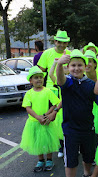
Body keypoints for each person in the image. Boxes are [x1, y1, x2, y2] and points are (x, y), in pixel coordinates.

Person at [56, 49, 98, 177]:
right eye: (73, 65)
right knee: (71, 159)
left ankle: (87, 174)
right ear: (68, 67)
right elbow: (59, 80)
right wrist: (59, 64)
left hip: (88, 128)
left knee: (88, 156)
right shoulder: (67, 83)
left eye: (80, 65)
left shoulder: (90, 84)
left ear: (85, 67)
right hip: (70, 129)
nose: (76, 68)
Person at [20, 66, 61, 172]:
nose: (39, 79)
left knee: (48, 142)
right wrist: (38, 117)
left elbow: (55, 103)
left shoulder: (47, 91)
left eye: (41, 77)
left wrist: (47, 114)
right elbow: (28, 108)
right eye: (36, 77)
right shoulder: (29, 93)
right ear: (30, 81)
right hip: (34, 122)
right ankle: (40, 160)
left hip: (46, 121)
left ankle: (49, 160)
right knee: (37, 142)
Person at [38, 30, 71, 158]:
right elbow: (40, 72)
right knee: (52, 119)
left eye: (64, 42)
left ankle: (64, 145)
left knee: (65, 118)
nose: (62, 45)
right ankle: (56, 145)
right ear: (55, 41)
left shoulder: (70, 54)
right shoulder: (46, 54)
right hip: (51, 91)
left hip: (66, 89)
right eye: (59, 42)